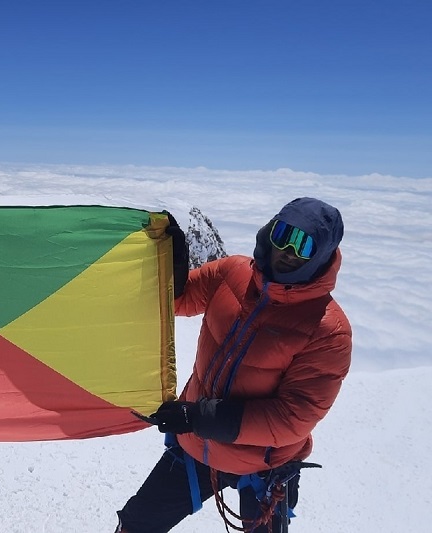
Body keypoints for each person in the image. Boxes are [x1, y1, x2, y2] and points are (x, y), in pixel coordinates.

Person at [116, 197, 352, 533]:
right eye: (282, 233)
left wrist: (199, 417)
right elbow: (178, 301)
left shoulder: (327, 330)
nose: (286, 249)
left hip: (265, 464)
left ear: (322, 255)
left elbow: (291, 419)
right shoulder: (233, 273)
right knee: (136, 523)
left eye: (302, 244)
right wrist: (172, 267)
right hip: (196, 442)